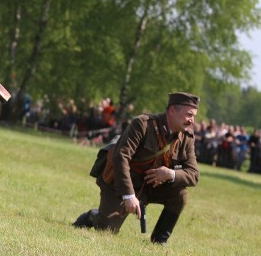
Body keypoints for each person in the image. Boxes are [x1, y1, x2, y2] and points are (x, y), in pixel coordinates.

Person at [72, 92, 200, 244]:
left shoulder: (186, 137)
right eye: (189, 115)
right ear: (172, 110)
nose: (192, 120)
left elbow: (194, 175)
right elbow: (121, 157)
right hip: (120, 184)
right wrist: (128, 195)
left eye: (193, 116)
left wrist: (170, 173)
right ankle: (92, 216)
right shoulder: (143, 124)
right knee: (106, 230)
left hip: (150, 187)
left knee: (180, 195)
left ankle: (159, 241)